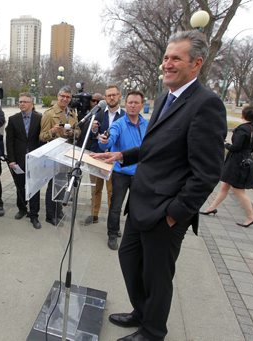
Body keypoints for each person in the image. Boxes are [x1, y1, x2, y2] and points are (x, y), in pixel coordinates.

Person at [93, 30, 227, 341]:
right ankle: (142, 313)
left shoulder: (206, 105)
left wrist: (174, 214)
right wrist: (122, 154)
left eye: (175, 58)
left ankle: (153, 331)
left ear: (196, 64)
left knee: (157, 276)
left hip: (165, 212)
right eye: (166, 57)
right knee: (129, 261)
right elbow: (154, 145)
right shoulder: (166, 97)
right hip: (141, 202)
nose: (167, 63)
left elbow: (207, 173)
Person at [92, 90, 148, 250]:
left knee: (137, 206)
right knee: (116, 205)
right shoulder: (118, 124)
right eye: (130, 102)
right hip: (121, 173)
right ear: (125, 103)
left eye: (136, 103)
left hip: (140, 174)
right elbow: (108, 140)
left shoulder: (146, 125)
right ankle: (112, 233)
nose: (132, 105)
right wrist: (104, 141)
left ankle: (134, 233)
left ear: (141, 105)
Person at [201, 105, 253, 227]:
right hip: (246, 160)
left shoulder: (242, 129)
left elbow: (236, 147)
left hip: (236, 162)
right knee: (225, 186)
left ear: (243, 115)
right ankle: (211, 208)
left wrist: (225, 144)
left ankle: (251, 217)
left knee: (238, 190)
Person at [83, 87, 126, 226]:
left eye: (114, 95)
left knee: (112, 192)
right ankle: (94, 214)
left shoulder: (125, 116)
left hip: (114, 160)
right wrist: (94, 130)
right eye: (108, 95)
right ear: (105, 98)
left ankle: (112, 221)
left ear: (119, 96)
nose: (111, 98)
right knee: (95, 188)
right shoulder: (98, 114)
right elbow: (89, 136)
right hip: (97, 157)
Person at [39, 86, 79, 226]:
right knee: (53, 185)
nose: (65, 99)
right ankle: (51, 215)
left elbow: (78, 131)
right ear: (58, 96)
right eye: (63, 96)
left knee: (63, 184)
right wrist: (53, 131)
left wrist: (72, 133)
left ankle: (59, 210)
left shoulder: (72, 113)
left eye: (68, 97)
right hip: (54, 154)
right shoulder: (49, 114)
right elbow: (42, 137)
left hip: (68, 154)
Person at [6, 93, 43, 229]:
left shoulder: (39, 118)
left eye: (25, 102)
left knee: (34, 187)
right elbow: (9, 142)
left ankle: (34, 215)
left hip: (35, 159)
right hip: (19, 159)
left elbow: (42, 139)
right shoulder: (13, 119)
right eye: (20, 101)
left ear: (32, 104)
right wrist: (11, 160)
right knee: (20, 185)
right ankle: (22, 208)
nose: (22, 104)